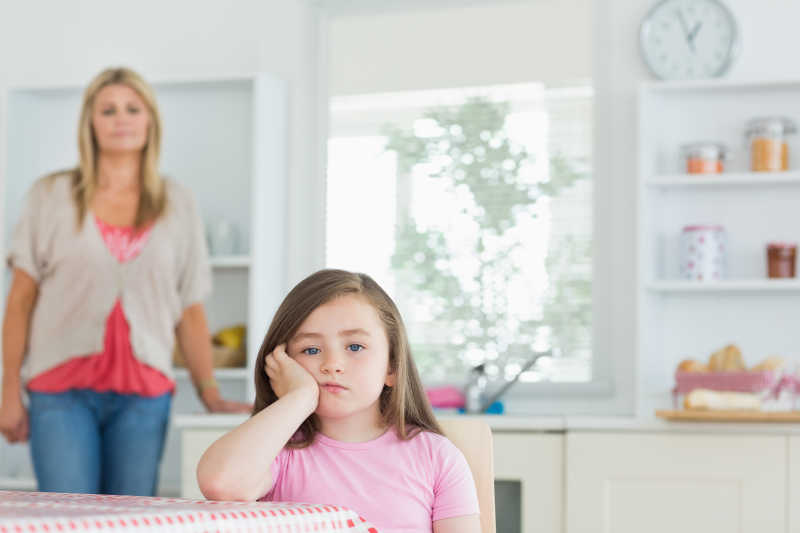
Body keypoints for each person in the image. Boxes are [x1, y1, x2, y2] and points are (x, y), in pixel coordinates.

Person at [0, 67, 250, 496]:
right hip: (60, 391)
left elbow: (190, 308)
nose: (121, 119)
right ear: (90, 122)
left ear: (150, 120)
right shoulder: (50, 195)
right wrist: (8, 391)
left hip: (144, 394)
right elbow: (20, 300)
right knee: (66, 516)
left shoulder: (177, 202)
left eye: (133, 109)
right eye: (108, 110)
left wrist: (209, 392)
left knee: (130, 519)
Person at [196, 269, 481, 533]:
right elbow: (221, 484)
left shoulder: (436, 457)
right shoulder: (277, 454)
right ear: (282, 364)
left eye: (355, 346)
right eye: (310, 350)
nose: (332, 364)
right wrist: (300, 397)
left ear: (392, 367)